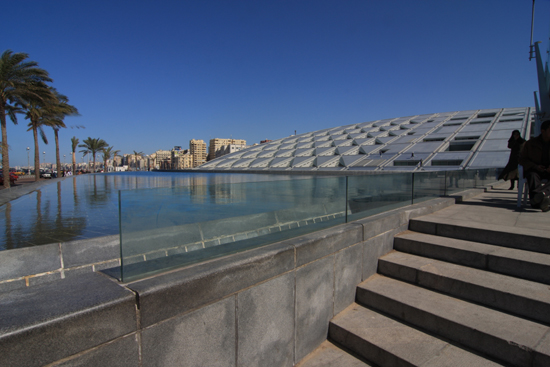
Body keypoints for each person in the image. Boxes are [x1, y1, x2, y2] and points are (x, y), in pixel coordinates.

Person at [519, 119, 550, 212]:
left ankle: (539, 197)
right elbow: (522, 159)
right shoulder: (530, 143)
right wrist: (535, 166)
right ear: (543, 131)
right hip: (535, 169)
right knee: (532, 176)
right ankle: (540, 200)